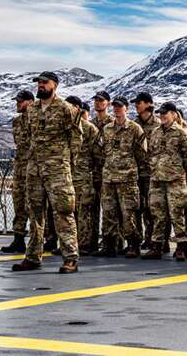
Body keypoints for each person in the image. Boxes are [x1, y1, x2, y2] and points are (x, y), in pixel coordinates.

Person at [11, 71, 81, 274]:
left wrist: (67, 162)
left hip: (58, 169)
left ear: (55, 85)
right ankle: (33, 257)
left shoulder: (66, 109)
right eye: (38, 83)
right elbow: (28, 137)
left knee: (63, 213)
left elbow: (76, 137)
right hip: (35, 169)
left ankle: (70, 258)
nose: (40, 86)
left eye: (44, 83)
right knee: (35, 213)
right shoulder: (31, 110)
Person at [95, 96, 147, 258]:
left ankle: (133, 244)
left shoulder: (135, 128)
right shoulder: (107, 129)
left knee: (128, 213)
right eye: (115, 106)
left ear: (126, 109)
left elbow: (141, 154)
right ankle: (109, 245)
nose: (117, 109)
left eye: (120, 106)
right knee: (109, 213)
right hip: (109, 178)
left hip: (127, 178)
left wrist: (132, 170)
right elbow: (102, 151)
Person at [144, 102, 187, 261]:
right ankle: (157, 246)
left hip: (175, 180)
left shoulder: (182, 133)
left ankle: (181, 247)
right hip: (157, 180)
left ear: (174, 114)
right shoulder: (155, 132)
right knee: (157, 214)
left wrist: (184, 176)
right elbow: (150, 153)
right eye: (160, 113)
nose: (162, 116)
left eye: (165, 113)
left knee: (177, 214)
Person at [65, 96, 100, 257]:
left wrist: (91, 172)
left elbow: (99, 155)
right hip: (67, 177)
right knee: (67, 213)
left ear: (78, 108)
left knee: (84, 212)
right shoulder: (64, 127)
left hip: (84, 177)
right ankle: (69, 244)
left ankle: (85, 245)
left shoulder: (90, 129)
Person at [1, 90, 34, 254]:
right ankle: (18, 239)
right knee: (19, 204)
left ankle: (40, 241)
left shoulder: (37, 119)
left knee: (34, 206)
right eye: (17, 101)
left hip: (34, 168)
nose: (17, 104)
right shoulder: (16, 122)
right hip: (20, 167)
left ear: (30, 102)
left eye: (21, 101)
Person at [132, 92, 161, 251]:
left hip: (152, 173)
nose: (136, 105)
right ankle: (137, 238)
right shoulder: (134, 125)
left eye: (139, 102)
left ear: (149, 104)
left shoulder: (158, 124)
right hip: (136, 172)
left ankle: (154, 239)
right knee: (137, 206)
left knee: (153, 208)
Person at [90, 89, 113, 252]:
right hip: (93, 173)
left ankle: (111, 243)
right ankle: (90, 241)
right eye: (96, 100)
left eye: (101, 100)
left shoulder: (113, 124)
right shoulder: (91, 124)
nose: (98, 103)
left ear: (108, 103)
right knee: (91, 209)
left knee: (109, 210)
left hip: (109, 173)